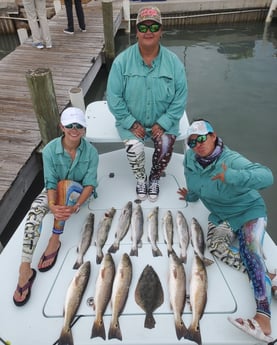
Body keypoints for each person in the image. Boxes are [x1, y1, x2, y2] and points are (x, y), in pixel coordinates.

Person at [177, 119, 276, 343]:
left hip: (250, 211)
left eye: (202, 138)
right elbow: (193, 182)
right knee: (216, 247)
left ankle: (263, 318)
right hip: (222, 216)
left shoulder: (230, 160)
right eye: (192, 142)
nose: (198, 145)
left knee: (251, 251)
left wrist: (232, 176)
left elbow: (267, 176)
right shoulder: (191, 158)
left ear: (213, 136)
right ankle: (266, 277)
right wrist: (190, 196)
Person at [13, 107, 99, 306]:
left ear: (84, 129)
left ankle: (54, 240)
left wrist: (76, 206)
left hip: (79, 193)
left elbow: (90, 184)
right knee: (35, 210)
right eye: (70, 125)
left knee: (66, 186)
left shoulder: (91, 152)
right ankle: (25, 268)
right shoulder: (50, 150)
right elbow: (50, 182)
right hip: (55, 191)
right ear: (62, 127)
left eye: (79, 126)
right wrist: (52, 204)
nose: (74, 129)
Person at [107, 6, 187, 202]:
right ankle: (141, 178)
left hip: (164, 122)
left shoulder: (174, 62)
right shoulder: (121, 62)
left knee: (167, 145)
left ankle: (154, 178)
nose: (148, 31)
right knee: (134, 148)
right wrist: (131, 123)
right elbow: (113, 97)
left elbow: (181, 97)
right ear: (137, 32)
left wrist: (165, 122)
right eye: (143, 27)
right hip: (132, 123)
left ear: (161, 31)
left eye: (153, 27)